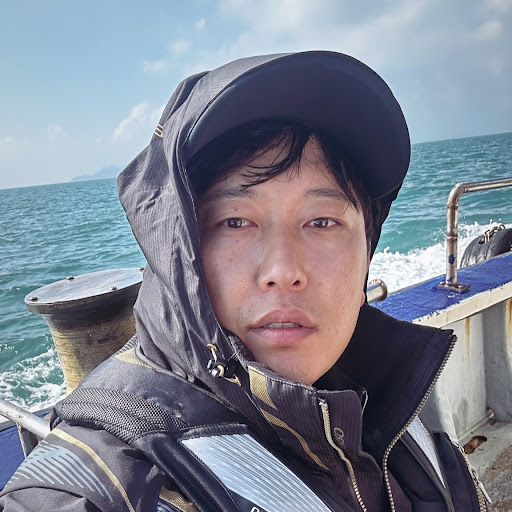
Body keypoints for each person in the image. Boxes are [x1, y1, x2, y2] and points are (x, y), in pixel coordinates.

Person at [0, 51, 489, 511]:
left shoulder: (384, 406)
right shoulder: (100, 488)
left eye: (322, 221)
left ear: (365, 257)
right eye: (235, 222)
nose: (283, 271)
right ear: (177, 254)